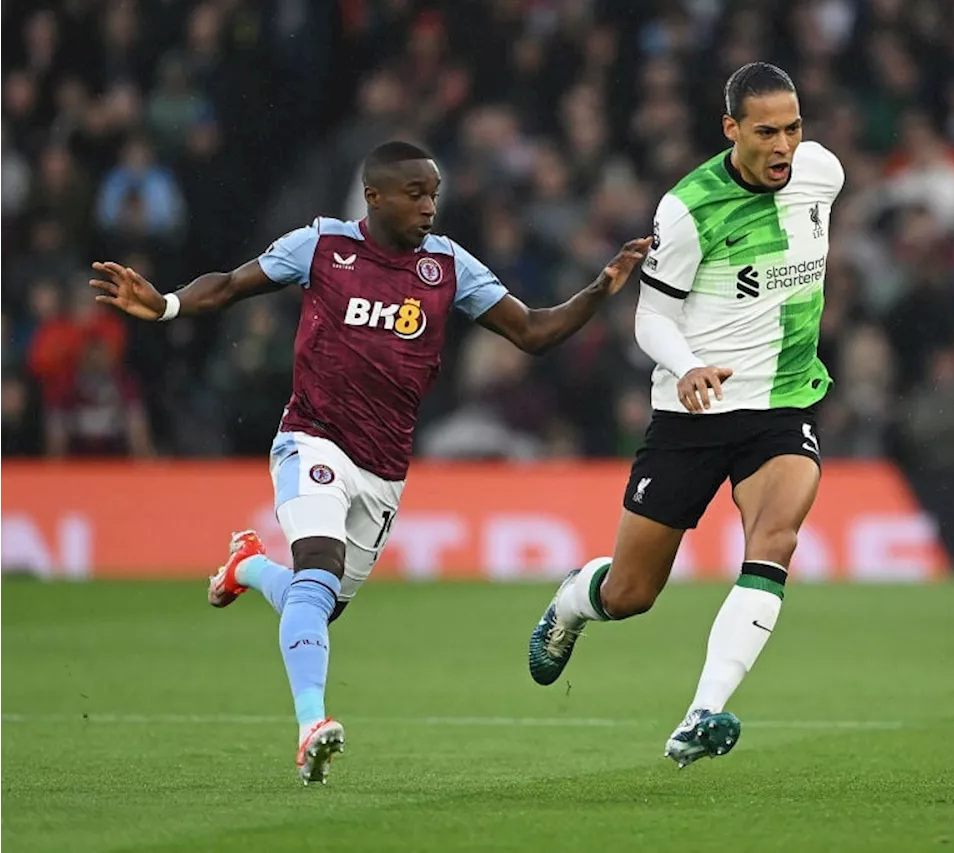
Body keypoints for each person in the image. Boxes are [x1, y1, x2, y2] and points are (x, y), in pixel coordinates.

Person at [89, 141, 650, 785]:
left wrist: (602, 287)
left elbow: (533, 332)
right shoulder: (323, 246)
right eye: (416, 194)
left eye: (434, 195)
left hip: (384, 470)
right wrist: (166, 305)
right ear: (375, 196)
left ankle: (248, 565)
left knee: (319, 604)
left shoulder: (449, 266)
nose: (429, 207)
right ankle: (311, 726)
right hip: (313, 439)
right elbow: (233, 285)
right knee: (318, 572)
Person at [526, 63, 844, 767]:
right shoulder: (688, 208)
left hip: (781, 403)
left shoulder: (823, 173)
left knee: (776, 541)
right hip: (692, 413)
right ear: (731, 130)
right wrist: (688, 364)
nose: (784, 145)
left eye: (793, 127)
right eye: (766, 131)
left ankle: (703, 712)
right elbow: (651, 317)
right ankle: (575, 603)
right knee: (632, 592)